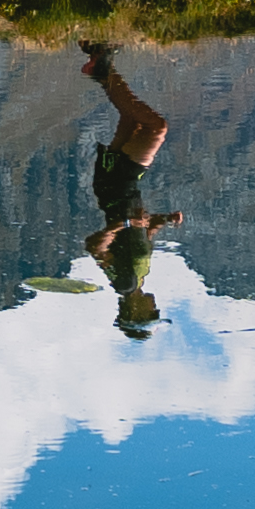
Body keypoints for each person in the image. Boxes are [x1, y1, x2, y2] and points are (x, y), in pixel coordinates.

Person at [74, 38, 184, 335]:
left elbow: (95, 246)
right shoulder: (137, 279)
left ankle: (100, 67)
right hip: (123, 188)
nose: (156, 308)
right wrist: (161, 221)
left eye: (151, 314)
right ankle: (100, 59)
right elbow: (140, 234)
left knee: (155, 127)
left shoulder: (123, 284)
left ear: (133, 312)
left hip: (115, 187)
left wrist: (123, 222)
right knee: (133, 120)